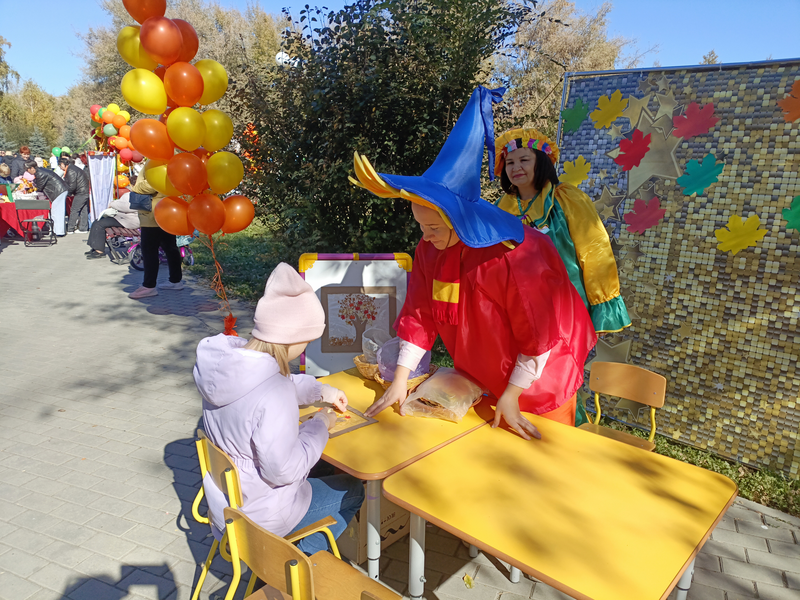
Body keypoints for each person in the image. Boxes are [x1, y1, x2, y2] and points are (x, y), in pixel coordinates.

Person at [353, 87, 597, 440]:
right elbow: (420, 313)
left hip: (543, 376)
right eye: (421, 226)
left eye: (434, 228)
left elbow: (538, 335)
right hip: (485, 372)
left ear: (460, 221)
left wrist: (512, 395)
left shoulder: (512, 255)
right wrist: (400, 380)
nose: (426, 236)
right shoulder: (430, 248)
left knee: (542, 455)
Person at [193, 262, 365, 555]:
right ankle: (303, 562)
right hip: (263, 517)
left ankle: (293, 557)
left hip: (227, 507)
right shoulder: (275, 393)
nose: (306, 347)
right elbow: (283, 471)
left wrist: (321, 391)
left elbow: (271, 384)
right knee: (354, 489)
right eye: (307, 340)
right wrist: (320, 424)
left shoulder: (226, 369)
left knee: (320, 467)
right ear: (293, 337)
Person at [493, 128, 631, 334]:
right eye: (510, 162)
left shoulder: (566, 199)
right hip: (518, 312)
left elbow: (594, 250)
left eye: (524, 160)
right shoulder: (500, 208)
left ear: (541, 162)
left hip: (566, 310)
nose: (516, 167)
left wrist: (601, 305)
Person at [128, 177, 183, 299]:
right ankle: (175, 280)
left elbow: (151, 184)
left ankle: (149, 286)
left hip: (152, 215)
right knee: (170, 248)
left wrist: (135, 187)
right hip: (167, 211)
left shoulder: (156, 167)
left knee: (149, 250)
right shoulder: (170, 168)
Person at [25, 160, 69, 236]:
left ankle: (59, 232)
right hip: (59, 190)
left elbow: (40, 187)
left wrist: (31, 190)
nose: (27, 172)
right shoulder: (40, 171)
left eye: (27, 169)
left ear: (32, 168)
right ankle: (57, 231)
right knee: (55, 212)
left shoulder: (40, 173)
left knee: (57, 212)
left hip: (58, 191)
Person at [59, 157, 90, 234]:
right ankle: (83, 228)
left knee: (74, 210)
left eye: (60, 166)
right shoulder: (73, 168)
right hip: (84, 191)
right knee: (83, 210)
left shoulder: (71, 170)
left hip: (81, 192)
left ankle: (70, 228)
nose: (60, 168)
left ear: (62, 164)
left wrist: (68, 194)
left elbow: (72, 185)